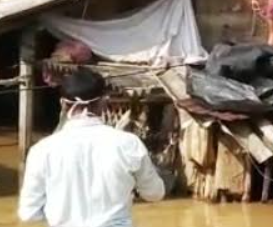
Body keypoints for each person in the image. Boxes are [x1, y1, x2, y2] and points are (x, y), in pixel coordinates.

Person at [18, 67, 165, 226]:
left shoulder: (42, 150)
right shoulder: (128, 144)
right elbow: (155, 194)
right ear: (103, 102)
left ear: (63, 104)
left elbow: (29, 214)